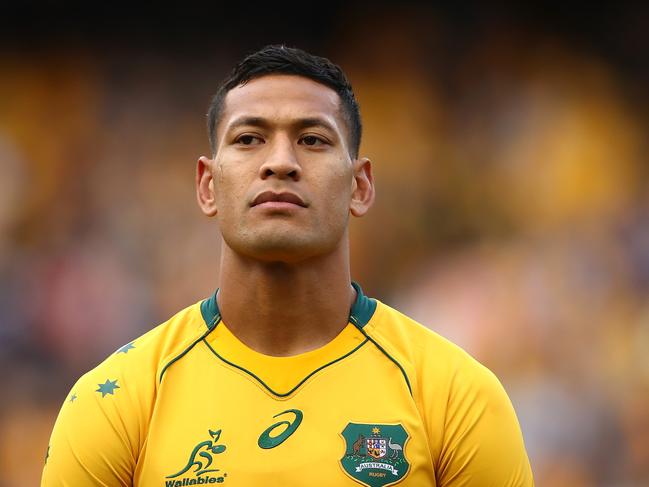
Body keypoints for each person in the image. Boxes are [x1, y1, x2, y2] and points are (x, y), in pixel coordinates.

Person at [42, 45, 533, 486]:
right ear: (207, 186)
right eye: (249, 139)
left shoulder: (455, 396)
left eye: (313, 140)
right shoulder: (118, 400)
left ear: (360, 186)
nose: (280, 162)